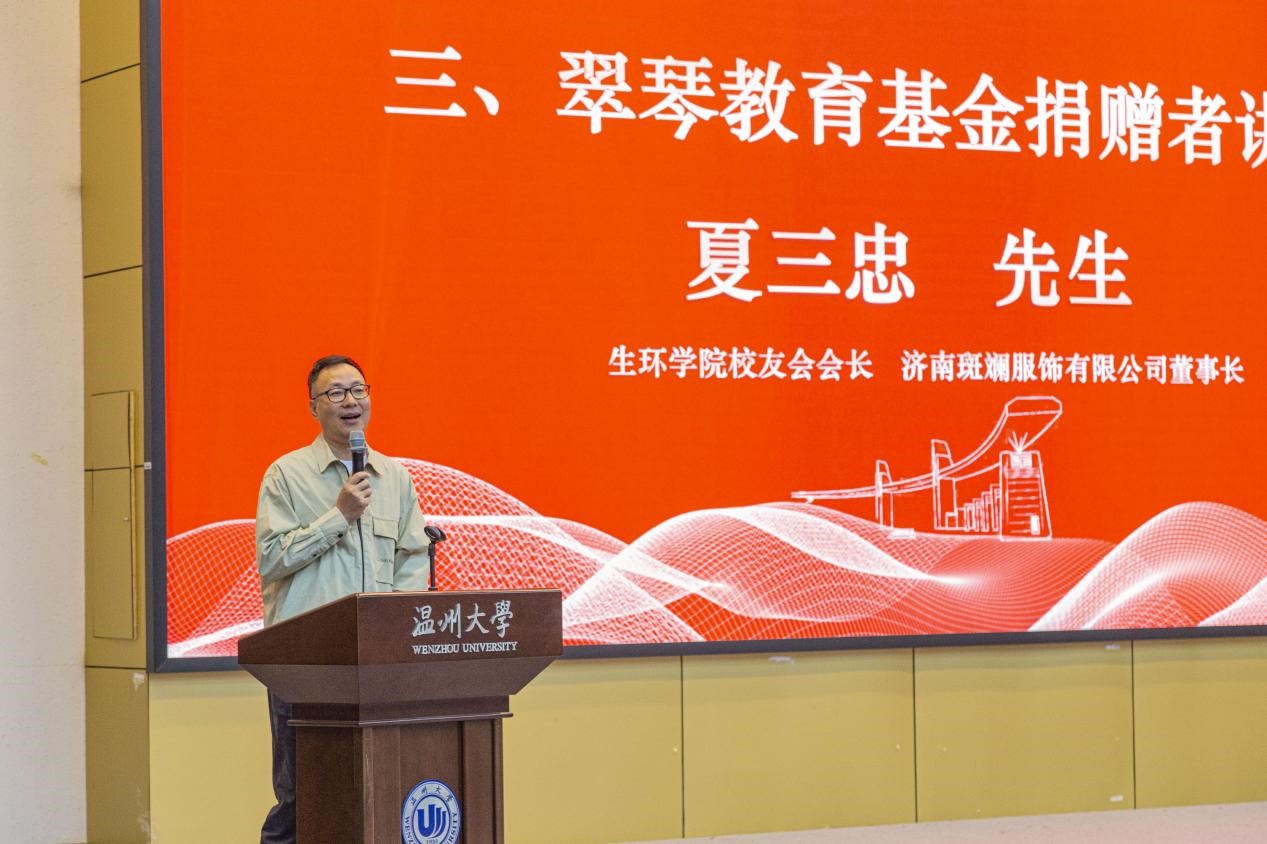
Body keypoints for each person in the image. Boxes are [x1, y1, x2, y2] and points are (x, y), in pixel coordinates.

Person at [255, 354, 430, 844]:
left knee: (373, 785)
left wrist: (396, 634)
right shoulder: (286, 474)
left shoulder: (394, 477)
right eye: (335, 393)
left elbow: (412, 558)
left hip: (376, 662)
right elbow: (272, 558)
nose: (350, 401)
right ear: (314, 407)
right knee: (301, 796)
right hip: (304, 661)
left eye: (358, 390)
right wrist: (340, 516)